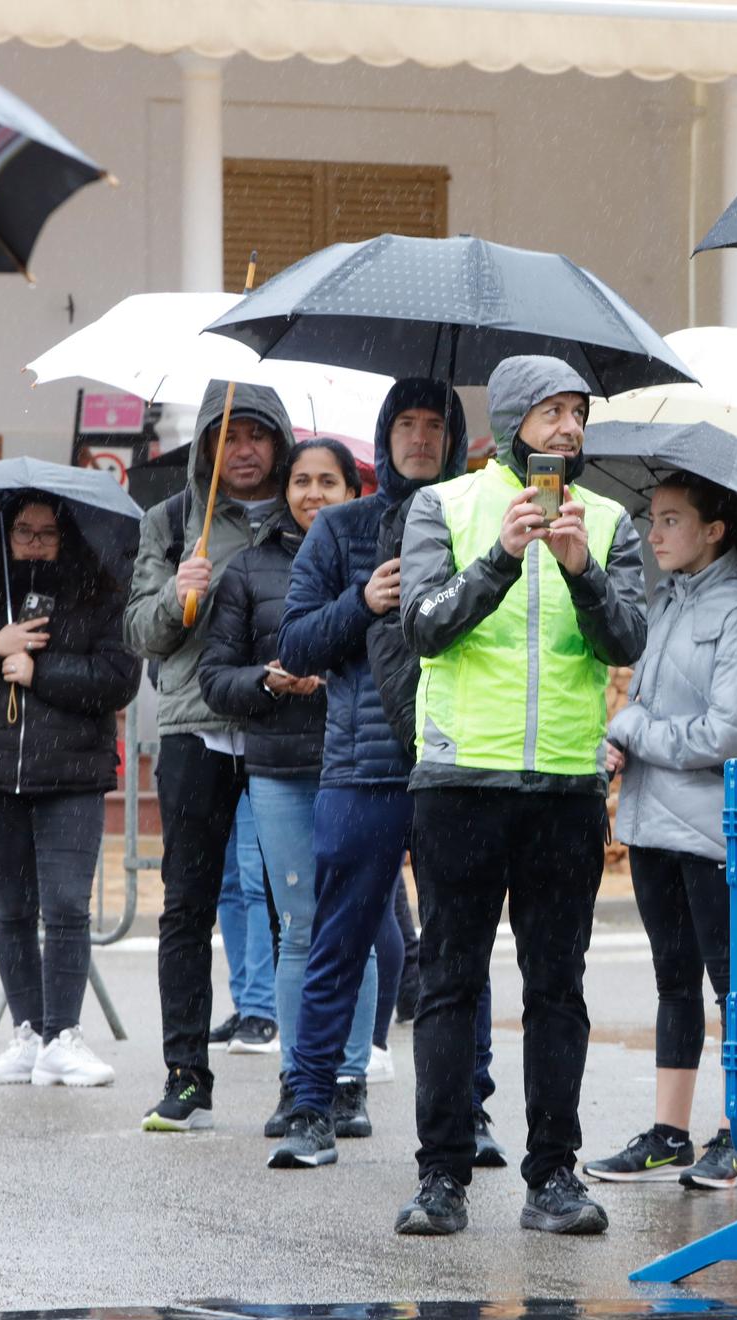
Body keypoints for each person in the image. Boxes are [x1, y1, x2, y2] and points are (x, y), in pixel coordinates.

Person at [395, 355, 646, 1237]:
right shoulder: (445, 507)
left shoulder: (611, 518)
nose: (570, 428)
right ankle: (442, 1176)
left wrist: (581, 568)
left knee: (557, 988)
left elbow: (628, 640)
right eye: (552, 412)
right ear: (508, 425)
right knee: (450, 983)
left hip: (564, 790)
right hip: (461, 781)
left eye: (578, 412)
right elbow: (422, 625)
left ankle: (554, 1174)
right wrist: (503, 557)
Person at [272, 379, 478, 1171]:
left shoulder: (479, 521)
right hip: (361, 769)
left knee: (458, 952)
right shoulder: (343, 528)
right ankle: (311, 1107)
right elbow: (294, 645)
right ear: (385, 435)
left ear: (454, 438)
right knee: (338, 941)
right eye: (407, 424)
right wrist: (361, 600)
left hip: (460, 765)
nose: (420, 439)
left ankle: (472, 1111)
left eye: (435, 426)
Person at [0, 494, 139, 1088]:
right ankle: (29, 1034)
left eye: (47, 532)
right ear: (5, 537)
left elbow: (118, 681)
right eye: (24, 531)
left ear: (66, 537)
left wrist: (42, 672)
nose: (35, 542)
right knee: (12, 910)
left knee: (67, 906)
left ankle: (63, 1037)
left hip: (72, 775)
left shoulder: (100, 601)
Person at [197, 438, 382, 1150]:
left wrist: (338, 678)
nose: (312, 493)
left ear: (349, 488)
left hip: (360, 760)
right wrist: (271, 680)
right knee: (300, 926)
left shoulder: (376, 562)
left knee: (355, 923)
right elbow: (217, 678)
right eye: (301, 480)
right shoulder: (248, 569)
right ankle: (300, 1081)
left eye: (327, 481)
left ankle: (349, 1082)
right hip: (278, 763)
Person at [583, 472, 737, 1191]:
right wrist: (620, 740)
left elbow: (733, 732)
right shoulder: (664, 602)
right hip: (654, 820)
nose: (652, 535)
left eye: (669, 520)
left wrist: (634, 728)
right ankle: (668, 1132)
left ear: (715, 529)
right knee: (673, 980)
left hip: (714, 829)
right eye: (651, 520)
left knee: (733, 984)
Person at [125, 381, 292, 1130]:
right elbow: (140, 631)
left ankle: (307, 1077)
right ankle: (186, 1071)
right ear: (206, 446)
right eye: (230, 434)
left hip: (286, 727)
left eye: (259, 434)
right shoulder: (170, 521)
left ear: (281, 443)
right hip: (195, 728)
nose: (245, 449)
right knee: (188, 904)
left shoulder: (303, 516)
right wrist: (177, 600)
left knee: (294, 905)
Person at [208, 806, 278, 1054]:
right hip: (222, 771)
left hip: (254, 771)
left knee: (255, 880)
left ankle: (261, 1009)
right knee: (229, 885)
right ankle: (246, 1006)